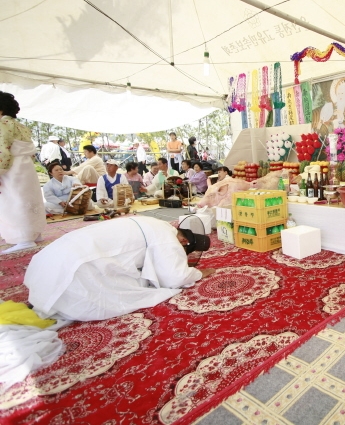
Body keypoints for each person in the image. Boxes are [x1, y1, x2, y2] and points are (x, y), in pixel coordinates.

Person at [24, 216, 216, 321]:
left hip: (45, 264)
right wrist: (198, 273)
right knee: (130, 292)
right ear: (182, 241)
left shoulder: (154, 223)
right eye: (184, 251)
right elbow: (175, 277)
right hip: (72, 274)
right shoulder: (169, 238)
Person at [0, 92, 46, 254]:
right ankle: (34, 233)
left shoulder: (3, 123)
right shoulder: (20, 125)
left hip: (12, 168)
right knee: (29, 199)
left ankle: (24, 238)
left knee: (15, 201)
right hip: (26, 166)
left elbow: (3, 150)